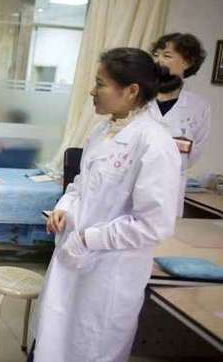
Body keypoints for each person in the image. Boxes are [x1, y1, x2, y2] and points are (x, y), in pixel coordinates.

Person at [29, 48, 182, 362]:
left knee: (90, 347)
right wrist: (65, 206)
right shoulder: (103, 131)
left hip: (110, 271)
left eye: (100, 84)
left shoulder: (155, 143)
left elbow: (154, 225)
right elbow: (82, 184)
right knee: (54, 338)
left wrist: (89, 238)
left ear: (131, 91)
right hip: (74, 260)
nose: (92, 91)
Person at [148, 33, 211, 216]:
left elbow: (194, 153)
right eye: (156, 55)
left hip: (169, 191)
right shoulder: (138, 98)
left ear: (188, 62)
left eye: (166, 55)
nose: (158, 60)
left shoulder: (198, 107)